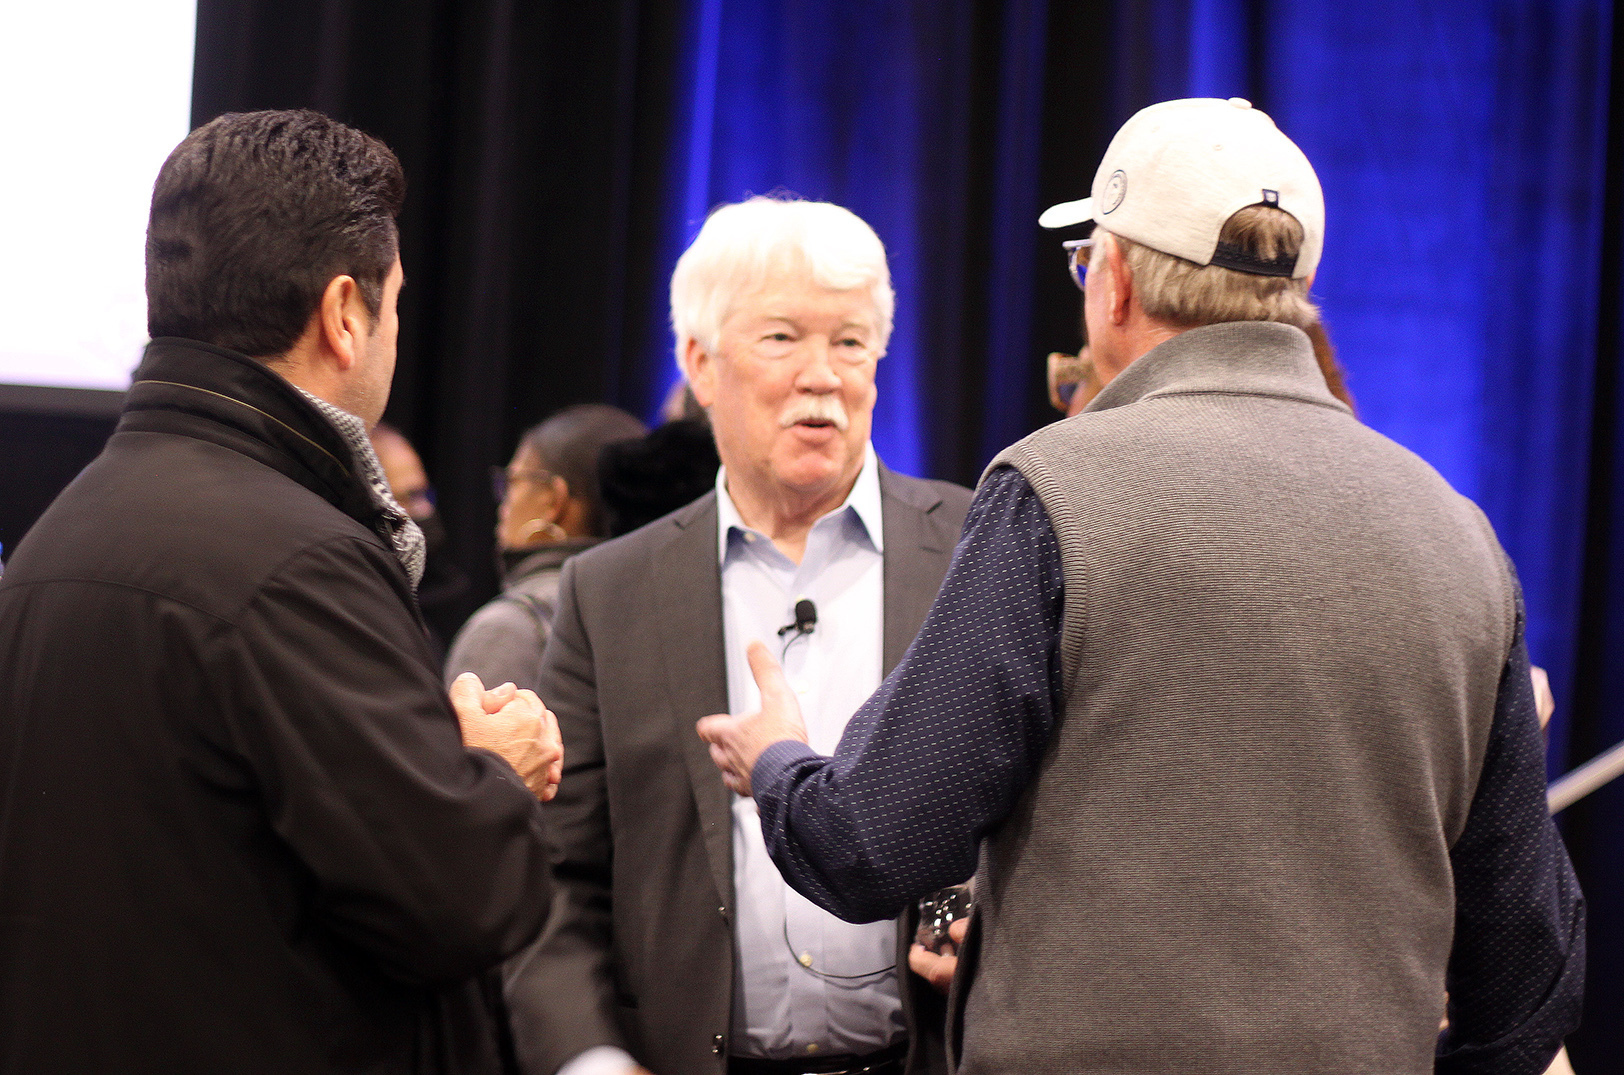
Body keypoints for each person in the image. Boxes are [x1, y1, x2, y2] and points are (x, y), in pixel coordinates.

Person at [699, 98, 1584, 1074]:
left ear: (1110, 282)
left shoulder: (1056, 492)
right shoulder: (1458, 535)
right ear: (1300, 286)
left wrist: (778, 759)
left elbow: (866, 840)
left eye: (1084, 262)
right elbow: (1525, 975)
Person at [0, 109, 561, 1074]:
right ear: (347, 313)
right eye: (393, 302)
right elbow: (465, 899)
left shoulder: (61, 533)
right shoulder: (298, 561)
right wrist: (491, 774)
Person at [505, 196, 972, 1075]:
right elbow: (556, 878)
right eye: (782, 338)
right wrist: (590, 1059)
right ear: (700, 362)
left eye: (850, 341)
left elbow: (1045, 826)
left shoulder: (975, 548)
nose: (823, 375)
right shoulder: (610, 592)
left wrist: (986, 905)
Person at [445, 403, 647, 692]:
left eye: (513, 481)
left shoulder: (508, 630)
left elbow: (479, 738)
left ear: (553, 500)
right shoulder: (663, 610)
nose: (504, 503)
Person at [372, 421, 473, 655]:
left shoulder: (437, 599)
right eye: (410, 496)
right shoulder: (373, 614)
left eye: (425, 494)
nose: (426, 510)